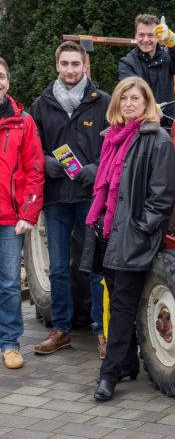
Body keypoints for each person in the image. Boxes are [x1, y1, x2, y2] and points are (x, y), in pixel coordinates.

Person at [80, 76, 175, 402]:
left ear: (147, 102)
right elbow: (106, 186)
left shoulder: (157, 139)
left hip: (132, 235)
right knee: (118, 300)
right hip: (108, 232)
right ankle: (127, 364)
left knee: (121, 306)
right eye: (124, 98)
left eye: (136, 98)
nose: (129, 103)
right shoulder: (111, 137)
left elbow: (162, 195)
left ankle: (109, 374)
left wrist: (141, 228)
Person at [30, 41, 110, 358]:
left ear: (85, 66)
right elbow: (31, 146)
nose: (70, 70)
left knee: (95, 265)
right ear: (57, 65)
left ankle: (102, 330)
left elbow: (115, 145)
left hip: (90, 197)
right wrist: (44, 162)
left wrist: (97, 167)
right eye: (65, 64)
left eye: (75, 64)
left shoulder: (102, 102)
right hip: (56, 198)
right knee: (59, 267)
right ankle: (61, 329)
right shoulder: (42, 105)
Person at [0, 57, 45, 369]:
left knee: (8, 284)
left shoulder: (23, 121)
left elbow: (35, 169)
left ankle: (9, 343)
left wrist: (28, 213)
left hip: (9, 218)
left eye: (1, 76)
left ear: (8, 81)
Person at [118, 13, 175, 118]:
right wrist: (150, 108)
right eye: (141, 35)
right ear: (135, 35)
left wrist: (172, 43)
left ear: (158, 37)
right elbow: (131, 93)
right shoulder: (127, 63)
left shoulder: (167, 56)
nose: (146, 40)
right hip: (140, 122)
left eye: (151, 35)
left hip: (168, 121)